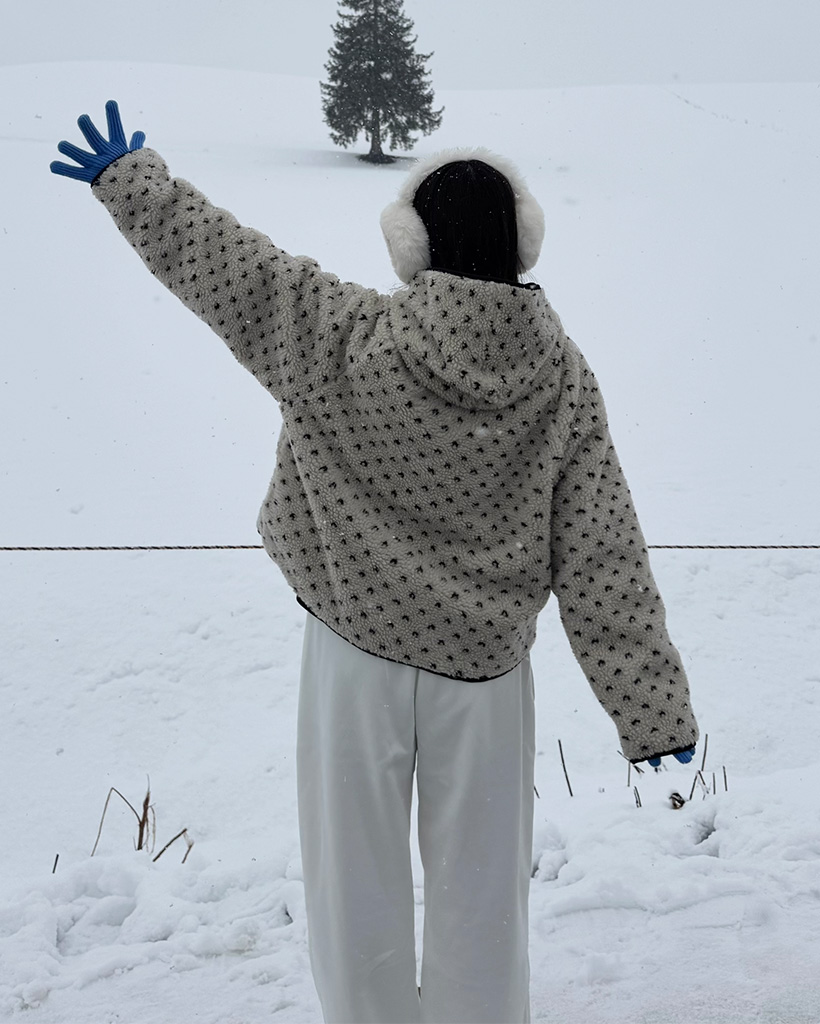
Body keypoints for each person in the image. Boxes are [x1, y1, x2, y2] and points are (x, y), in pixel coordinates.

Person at [51, 101, 699, 1024]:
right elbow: (602, 552)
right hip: (485, 679)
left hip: (353, 658)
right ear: (524, 244)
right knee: (483, 897)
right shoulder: (562, 378)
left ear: (411, 244)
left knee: (352, 886)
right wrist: (652, 712)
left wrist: (134, 186)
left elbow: (229, 268)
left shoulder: (342, 336)